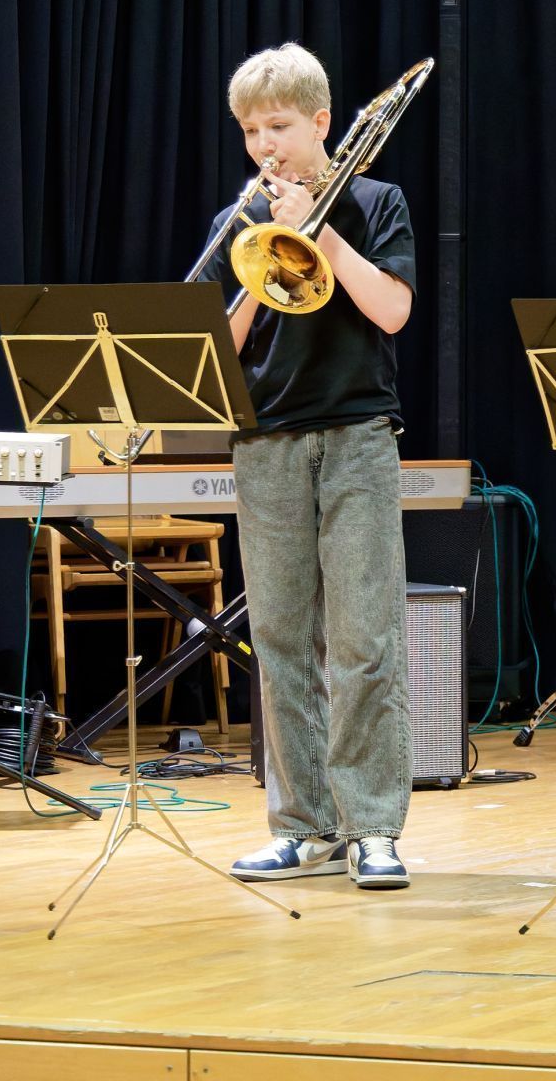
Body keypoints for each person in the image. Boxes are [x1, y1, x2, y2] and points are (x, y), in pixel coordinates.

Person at [213, 44, 417, 891]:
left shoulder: (376, 201)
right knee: (282, 640)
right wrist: (264, 253)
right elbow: (217, 350)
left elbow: (395, 312)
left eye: (282, 128)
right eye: (254, 131)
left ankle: (373, 827)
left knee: (366, 637)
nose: (268, 146)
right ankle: (302, 827)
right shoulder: (242, 219)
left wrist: (320, 227)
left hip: (358, 435)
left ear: (322, 123)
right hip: (265, 440)